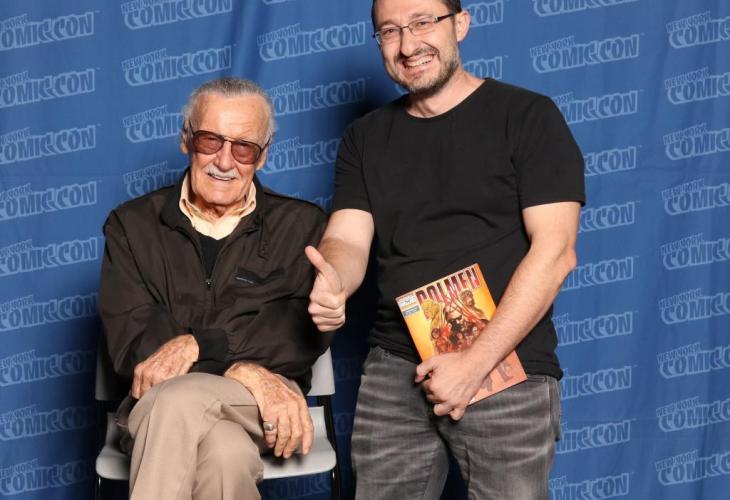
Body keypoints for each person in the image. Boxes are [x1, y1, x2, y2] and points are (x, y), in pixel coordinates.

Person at [305, 0, 585, 498]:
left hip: (504, 364)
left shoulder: (527, 116)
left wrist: (474, 363)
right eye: (390, 31)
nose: (408, 44)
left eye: (422, 22)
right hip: (396, 365)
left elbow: (556, 252)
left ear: (460, 24)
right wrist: (335, 283)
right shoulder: (364, 138)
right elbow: (347, 239)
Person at [99, 77, 329, 500]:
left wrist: (200, 347)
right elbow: (135, 345)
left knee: (177, 401)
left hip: (262, 403)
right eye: (210, 141)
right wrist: (239, 361)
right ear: (186, 139)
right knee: (224, 452)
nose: (224, 161)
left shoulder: (302, 226)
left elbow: (298, 337)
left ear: (263, 155)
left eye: (244, 148)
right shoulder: (131, 226)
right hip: (156, 403)